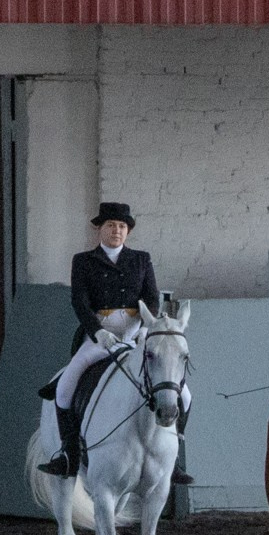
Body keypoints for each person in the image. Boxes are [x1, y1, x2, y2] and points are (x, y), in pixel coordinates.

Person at [38, 203, 190, 481]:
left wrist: (145, 324)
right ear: (100, 228)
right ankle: (67, 453)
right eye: (111, 225)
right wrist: (98, 331)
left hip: (137, 333)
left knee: (186, 394)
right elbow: (80, 302)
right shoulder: (83, 261)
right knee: (65, 387)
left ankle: (175, 455)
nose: (116, 231)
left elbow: (152, 297)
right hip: (101, 335)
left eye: (121, 226)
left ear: (127, 230)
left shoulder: (141, 259)